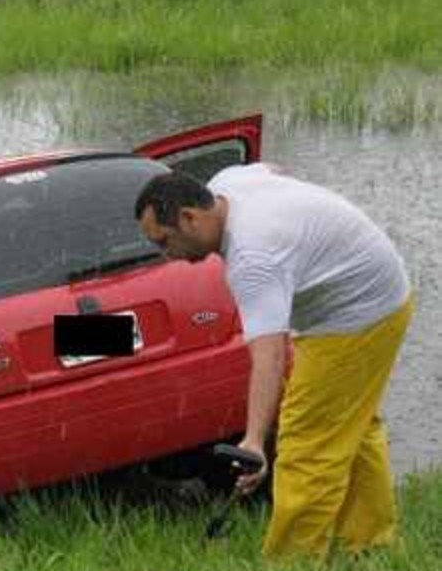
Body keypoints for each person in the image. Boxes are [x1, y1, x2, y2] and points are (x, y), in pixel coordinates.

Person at [132, 164, 413, 561]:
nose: (167, 255)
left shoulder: (253, 258)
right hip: (380, 292)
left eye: (165, 241)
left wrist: (253, 441)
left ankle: (291, 561)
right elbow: (273, 169)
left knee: (305, 447)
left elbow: (269, 355)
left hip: (356, 315)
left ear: (189, 218)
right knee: (353, 425)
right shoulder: (226, 184)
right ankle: (371, 545)